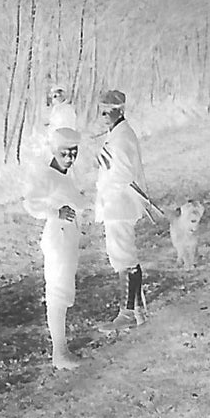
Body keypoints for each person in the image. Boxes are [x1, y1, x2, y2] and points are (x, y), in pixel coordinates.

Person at [21, 125, 87, 369]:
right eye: (64, 153)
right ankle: (59, 352)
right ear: (54, 151)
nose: (70, 158)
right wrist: (55, 212)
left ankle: (62, 350)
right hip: (57, 237)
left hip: (68, 237)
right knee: (57, 293)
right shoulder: (46, 175)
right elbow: (30, 203)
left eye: (73, 153)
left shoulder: (64, 175)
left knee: (64, 290)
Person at [93, 89, 149, 330]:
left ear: (121, 111)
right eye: (102, 110)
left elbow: (124, 174)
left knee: (124, 258)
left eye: (110, 111)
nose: (105, 115)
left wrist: (109, 195)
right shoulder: (115, 134)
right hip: (115, 205)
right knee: (122, 257)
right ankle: (136, 311)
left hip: (120, 205)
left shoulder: (123, 137)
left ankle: (126, 313)